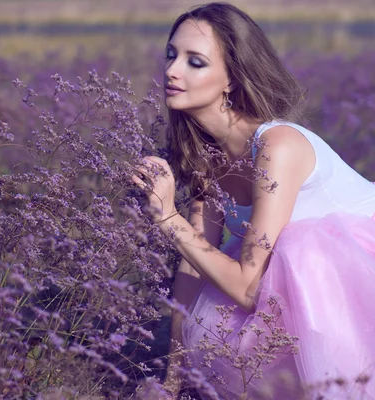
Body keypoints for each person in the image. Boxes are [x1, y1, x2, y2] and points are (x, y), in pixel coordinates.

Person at [131, 2, 375, 399]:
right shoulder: (205, 156)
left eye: (196, 62)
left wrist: (167, 216)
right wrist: (172, 383)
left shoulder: (277, 146)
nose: (172, 70)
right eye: (171, 55)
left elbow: (247, 288)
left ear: (231, 78)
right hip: (307, 287)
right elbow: (194, 267)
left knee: (301, 249)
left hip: (360, 275)